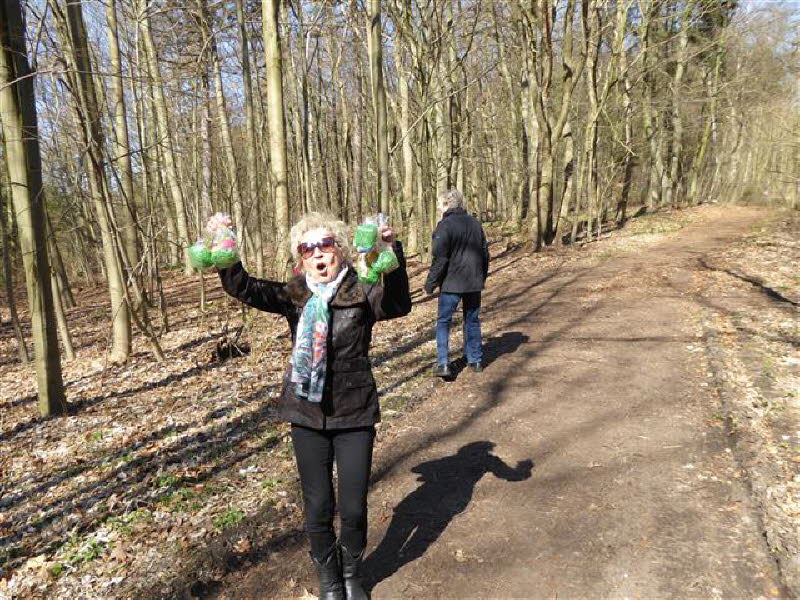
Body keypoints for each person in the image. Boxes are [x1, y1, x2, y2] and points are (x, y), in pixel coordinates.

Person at [216, 212, 411, 600]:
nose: (318, 254)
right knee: (319, 506)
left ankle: (353, 577)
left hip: (354, 412)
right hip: (306, 413)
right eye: (308, 248)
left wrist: (392, 250)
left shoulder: (363, 289)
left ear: (340, 250)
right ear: (300, 258)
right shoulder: (295, 295)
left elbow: (400, 303)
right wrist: (226, 248)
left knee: (353, 507)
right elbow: (245, 288)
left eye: (326, 246)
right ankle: (329, 581)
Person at [423, 189, 489, 378]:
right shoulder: (475, 223)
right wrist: (481, 277)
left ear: (447, 204)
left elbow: (440, 259)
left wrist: (430, 284)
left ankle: (443, 363)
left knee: (444, 322)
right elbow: (485, 255)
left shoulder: (444, 226)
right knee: (472, 320)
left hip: (452, 284)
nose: (437, 206)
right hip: (473, 282)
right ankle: (475, 360)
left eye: (439, 202)